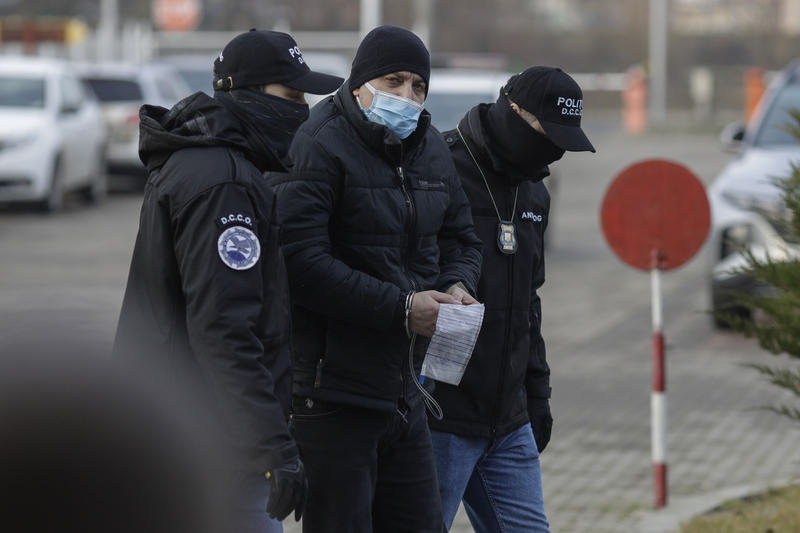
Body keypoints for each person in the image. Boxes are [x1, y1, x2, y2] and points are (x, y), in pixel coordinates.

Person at [112, 29, 343, 533]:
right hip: (214, 440)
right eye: (292, 95)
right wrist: (273, 447)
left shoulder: (203, 161)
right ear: (249, 95)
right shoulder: (225, 182)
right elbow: (225, 329)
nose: (302, 110)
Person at [272, 25, 482, 533]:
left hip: (404, 390)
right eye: (393, 81)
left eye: (418, 86)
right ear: (361, 81)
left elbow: (461, 238)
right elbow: (300, 265)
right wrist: (403, 308)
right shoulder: (318, 144)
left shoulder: (430, 145)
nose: (406, 97)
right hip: (332, 395)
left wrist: (457, 284)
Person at [429, 66, 596, 532]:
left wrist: (536, 395)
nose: (555, 151)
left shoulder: (535, 194)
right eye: (548, 133)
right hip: (438, 416)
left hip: (508, 421)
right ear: (514, 112)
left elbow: (530, 305)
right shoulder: (437, 168)